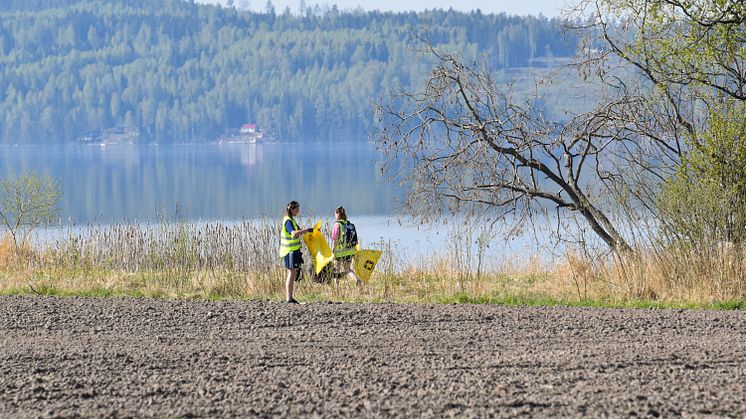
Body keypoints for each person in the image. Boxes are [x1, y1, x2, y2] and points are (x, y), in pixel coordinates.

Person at [279, 201, 313, 303]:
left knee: (293, 273)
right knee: (291, 273)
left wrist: (310, 231)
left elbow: (299, 230)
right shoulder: (288, 221)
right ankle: (289, 298)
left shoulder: (291, 220)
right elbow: (294, 234)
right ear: (292, 209)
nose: (298, 212)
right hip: (289, 251)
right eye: (297, 210)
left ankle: (290, 297)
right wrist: (307, 230)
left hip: (293, 251)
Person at [331, 206, 362, 286]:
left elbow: (334, 238)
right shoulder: (349, 224)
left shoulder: (337, 224)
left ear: (338, 214)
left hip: (340, 251)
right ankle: (357, 280)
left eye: (335, 214)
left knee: (336, 270)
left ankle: (337, 287)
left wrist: (333, 249)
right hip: (350, 250)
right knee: (348, 269)